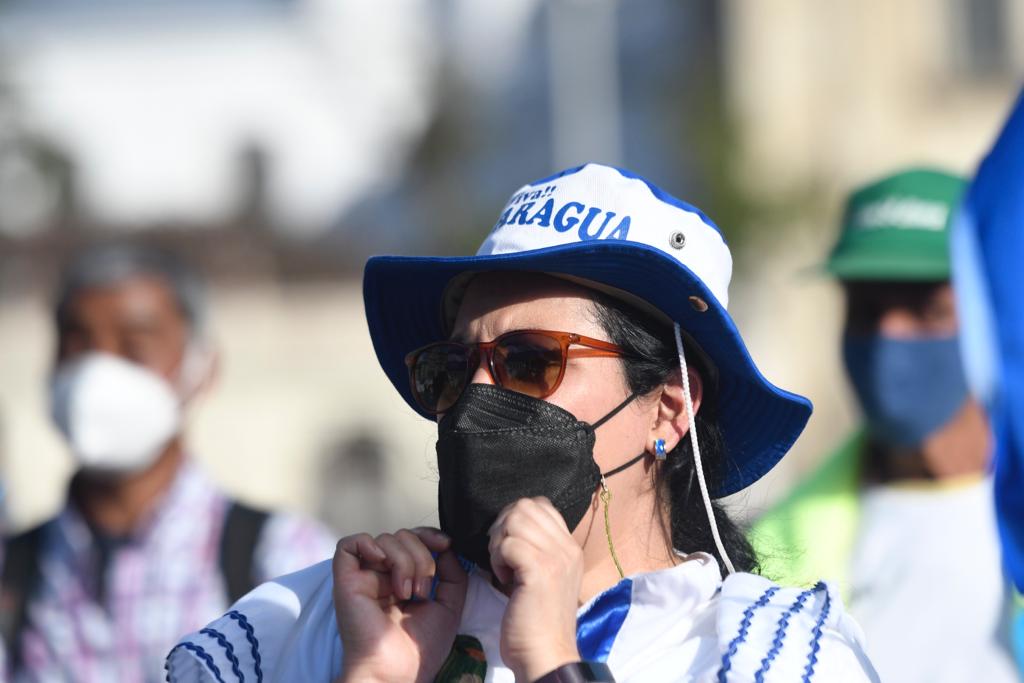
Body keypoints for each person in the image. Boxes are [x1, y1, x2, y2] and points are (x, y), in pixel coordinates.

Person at [167, 163, 878, 682]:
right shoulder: (313, 621)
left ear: (669, 405)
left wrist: (552, 665)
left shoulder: (768, 653)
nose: (476, 397)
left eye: (529, 361)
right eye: (451, 369)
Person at [0, 244, 336, 682]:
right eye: (77, 344)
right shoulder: (14, 570)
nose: (96, 373)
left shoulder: (285, 559)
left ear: (203, 368)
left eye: (134, 349)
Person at [750, 168, 1018, 682]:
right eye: (867, 310)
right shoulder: (771, 556)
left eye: (926, 309)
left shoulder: (1014, 515)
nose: (889, 335)